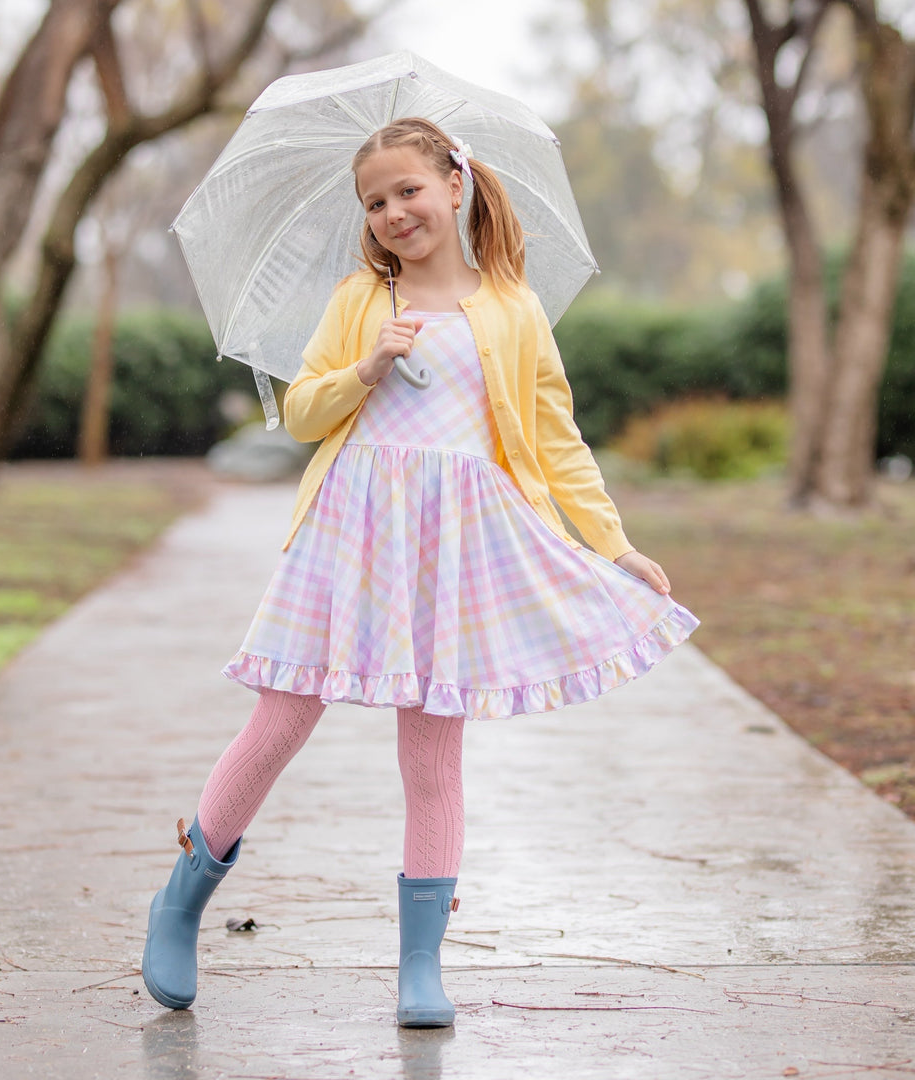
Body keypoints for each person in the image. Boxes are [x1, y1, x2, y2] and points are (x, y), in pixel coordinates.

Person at [142, 116, 698, 1027]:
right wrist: (368, 365)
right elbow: (307, 410)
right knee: (280, 722)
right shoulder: (363, 296)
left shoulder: (513, 309)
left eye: (409, 190)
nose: (395, 211)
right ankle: (179, 902)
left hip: (452, 553)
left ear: (454, 182)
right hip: (351, 536)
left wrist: (613, 544)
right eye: (375, 200)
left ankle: (420, 964)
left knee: (433, 757)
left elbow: (556, 440)